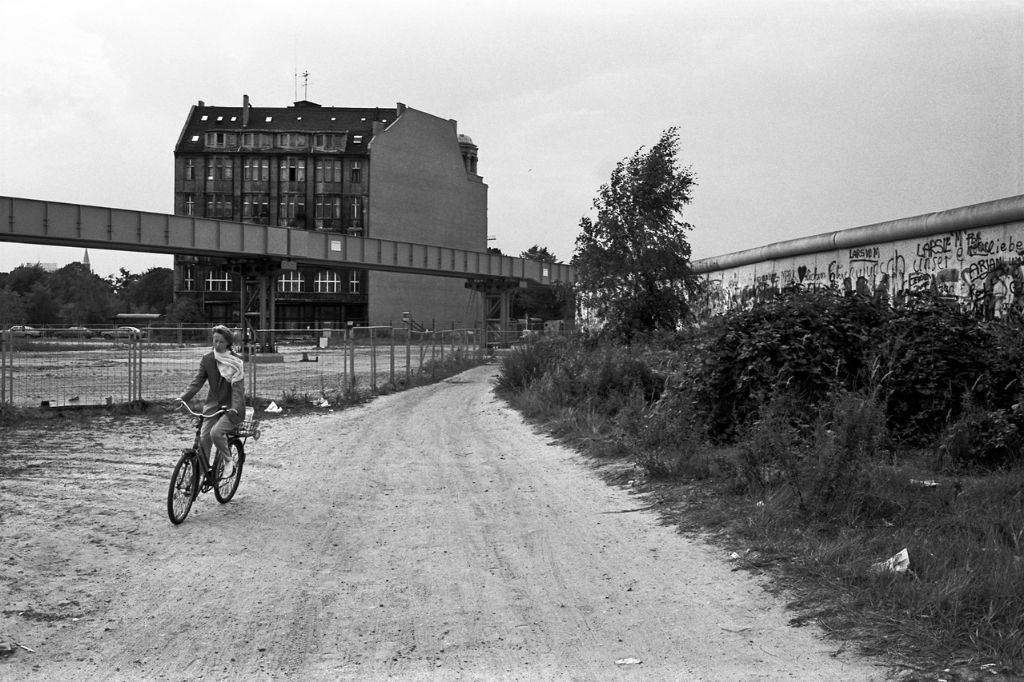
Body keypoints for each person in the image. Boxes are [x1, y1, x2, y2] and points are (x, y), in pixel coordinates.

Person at [178, 325, 245, 483]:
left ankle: (228, 461)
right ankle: (200, 475)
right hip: (213, 404)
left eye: (221, 342)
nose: (217, 345)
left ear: (228, 343)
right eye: (215, 341)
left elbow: (237, 390)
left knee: (216, 433)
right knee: (204, 439)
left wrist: (234, 408)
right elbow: (197, 382)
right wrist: (182, 398)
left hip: (232, 406)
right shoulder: (208, 359)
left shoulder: (236, 362)